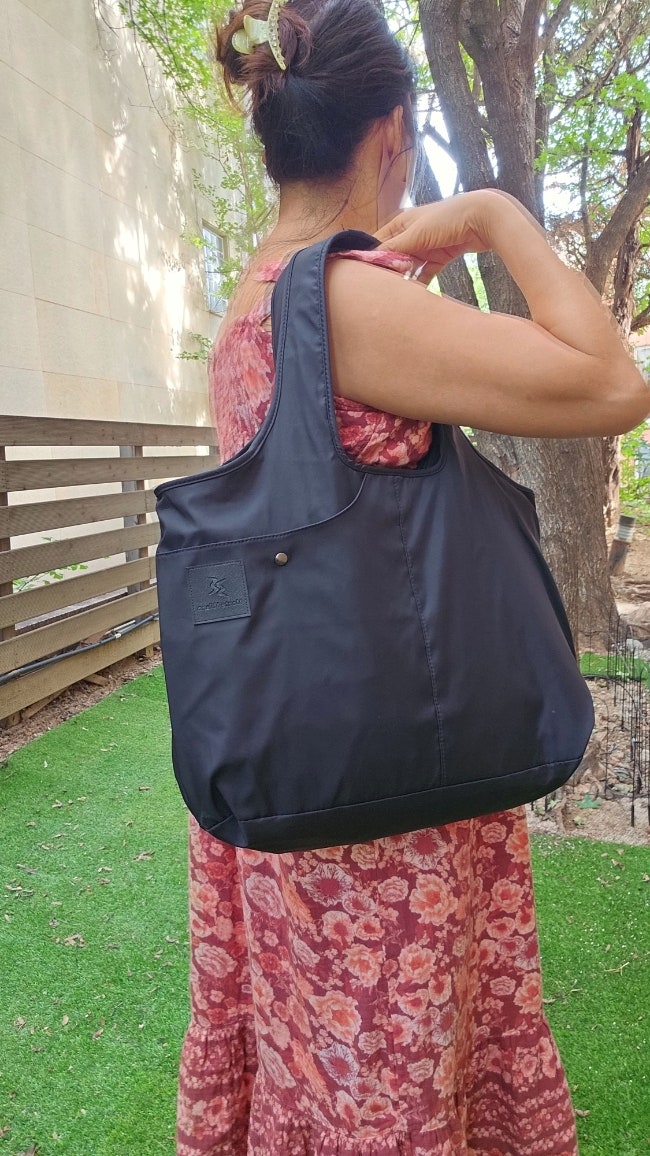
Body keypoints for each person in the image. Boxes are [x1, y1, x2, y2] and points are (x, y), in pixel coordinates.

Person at [176, 2, 649, 1154]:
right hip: (390, 798)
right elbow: (610, 383)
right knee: (393, 1071)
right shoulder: (347, 302)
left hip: (304, 757)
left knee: (323, 1066)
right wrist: (489, 215)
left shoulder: (254, 295)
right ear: (391, 132)